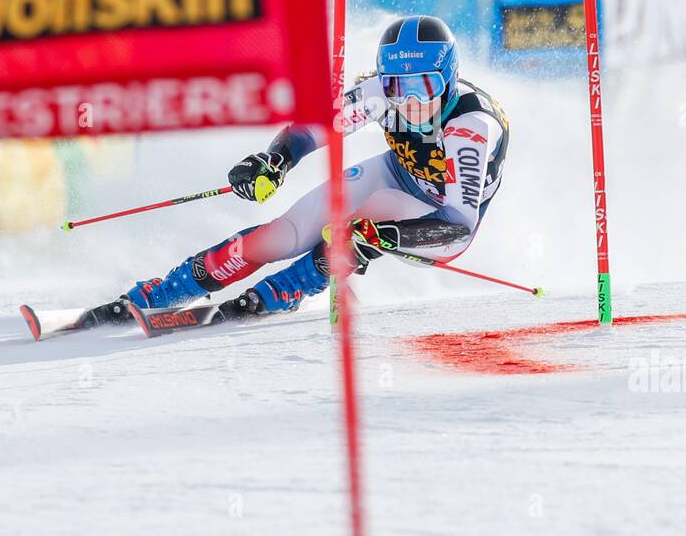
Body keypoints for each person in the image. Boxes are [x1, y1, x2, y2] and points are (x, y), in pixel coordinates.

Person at [91, 16, 510, 326]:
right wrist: (277, 161)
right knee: (281, 233)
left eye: (425, 85)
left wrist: (388, 237)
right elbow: (317, 127)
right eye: (398, 86)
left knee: (363, 220)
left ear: (449, 79)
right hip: (398, 173)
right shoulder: (380, 94)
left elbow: (458, 224)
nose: (409, 100)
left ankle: (286, 289)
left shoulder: (469, 127)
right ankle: (166, 292)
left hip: (438, 221)